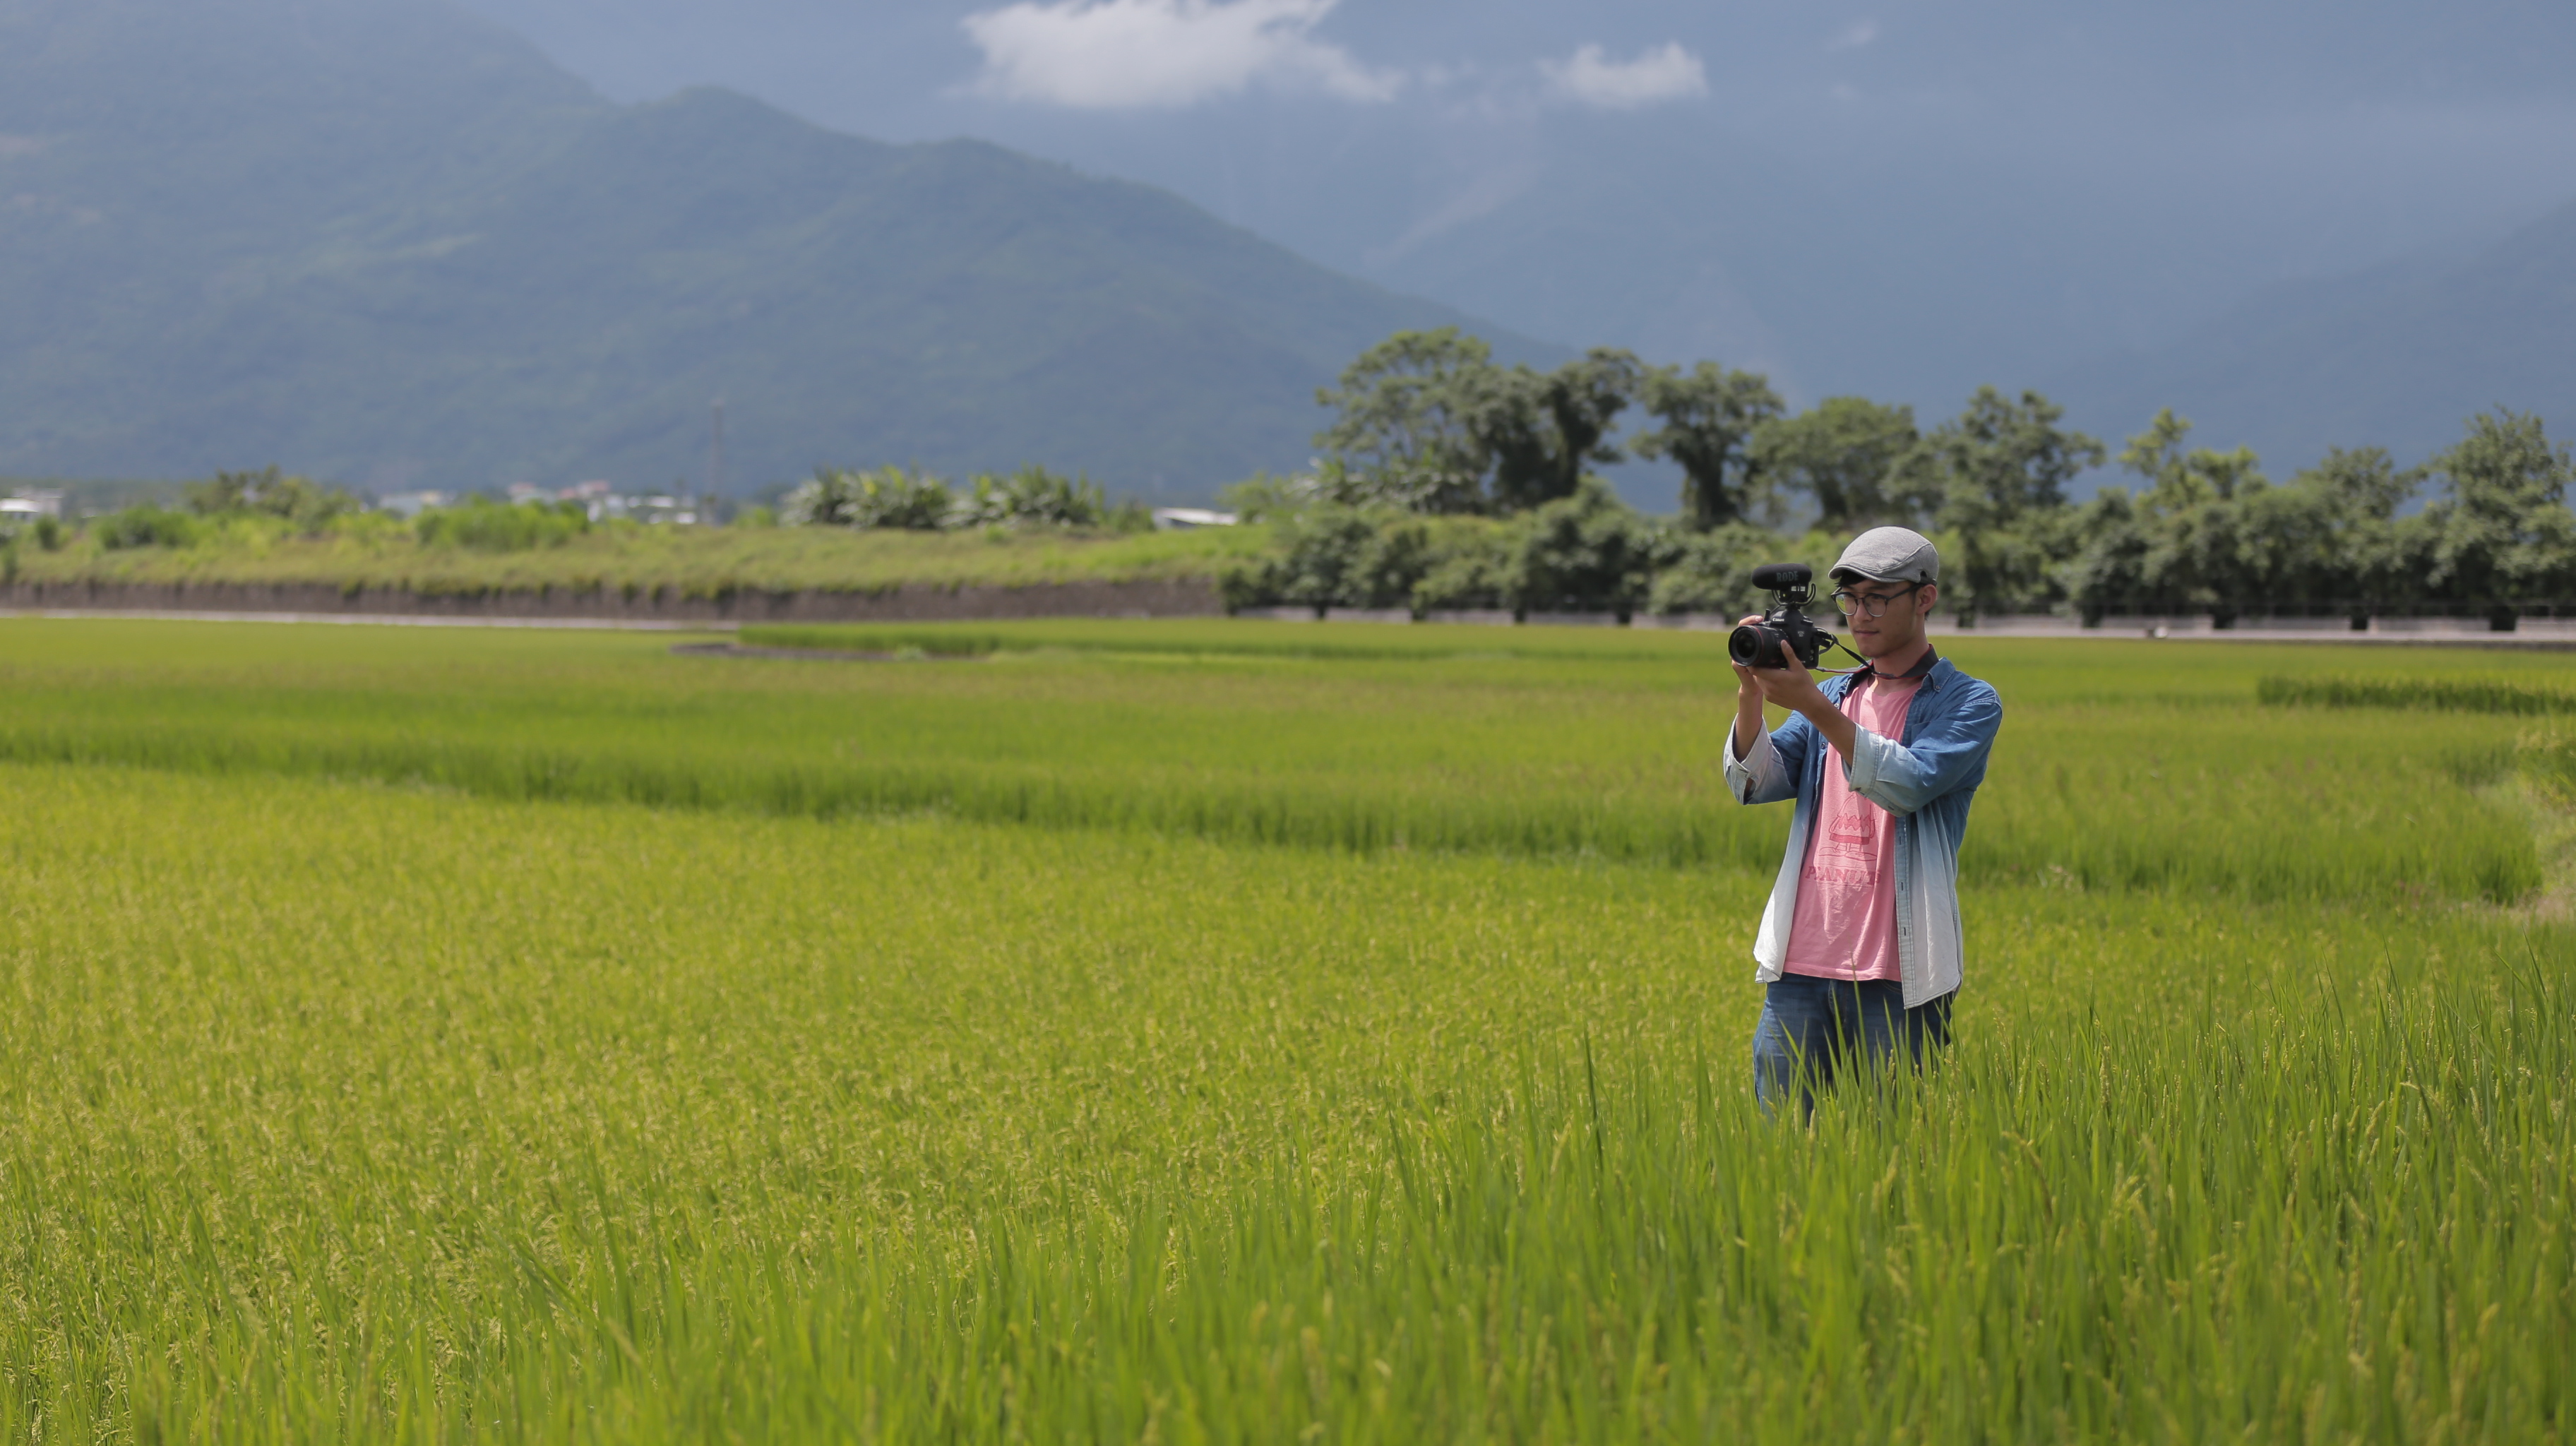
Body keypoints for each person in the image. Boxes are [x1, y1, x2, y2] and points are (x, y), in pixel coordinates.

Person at [1722, 527, 2003, 1116]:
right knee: (1782, 1143)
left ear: (1924, 598)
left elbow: (1908, 784)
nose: (1859, 616)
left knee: (1892, 1144)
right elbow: (1755, 782)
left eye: (1876, 599)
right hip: (1800, 964)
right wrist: (1752, 694)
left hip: (1898, 976)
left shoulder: (1968, 702)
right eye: (1849, 600)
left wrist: (1811, 704)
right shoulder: (1833, 695)